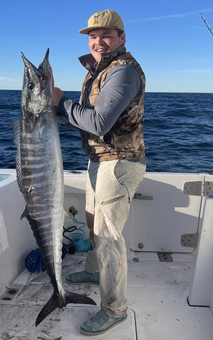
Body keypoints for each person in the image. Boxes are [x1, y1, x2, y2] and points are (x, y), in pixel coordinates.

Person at [52, 9, 146, 336]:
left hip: (118, 163)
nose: (98, 42)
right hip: (98, 161)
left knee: (107, 239)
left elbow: (99, 123)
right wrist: (54, 110)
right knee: (93, 222)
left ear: (121, 38)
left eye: (106, 35)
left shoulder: (123, 72)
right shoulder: (98, 70)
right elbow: (85, 117)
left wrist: (61, 102)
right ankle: (95, 271)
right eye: (93, 37)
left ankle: (115, 309)